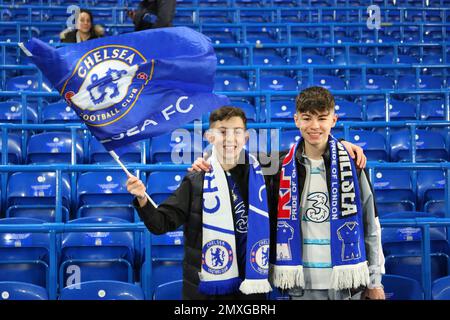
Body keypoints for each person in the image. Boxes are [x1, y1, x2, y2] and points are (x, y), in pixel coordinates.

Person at [127, 106, 273, 300]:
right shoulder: (196, 179)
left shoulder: (262, 176)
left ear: (245, 137)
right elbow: (161, 223)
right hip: (206, 289)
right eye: (222, 132)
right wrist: (142, 198)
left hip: (250, 285)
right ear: (210, 137)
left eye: (237, 132)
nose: (230, 139)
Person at [271, 86, 385, 300]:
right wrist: (206, 159)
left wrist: (374, 280)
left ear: (334, 120)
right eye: (307, 118)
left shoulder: (353, 165)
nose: (314, 126)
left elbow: (371, 227)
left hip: (345, 284)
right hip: (300, 285)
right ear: (296, 120)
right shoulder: (279, 166)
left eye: (322, 118)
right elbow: (235, 160)